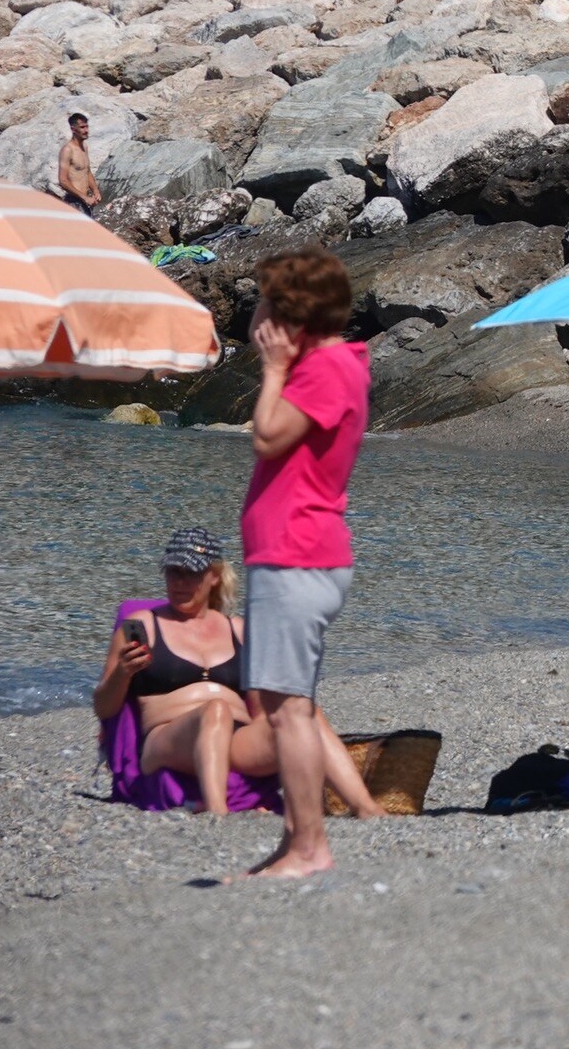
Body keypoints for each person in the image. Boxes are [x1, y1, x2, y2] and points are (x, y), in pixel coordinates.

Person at [236, 245, 372, 879]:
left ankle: (309, 847)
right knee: (285, 702)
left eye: (265, 300)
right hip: (292, 554)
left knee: (289, 709)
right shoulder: (329, 365)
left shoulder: (324, 368)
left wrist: (272, 370)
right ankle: (297, 838)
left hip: (297, 556)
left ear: (289, 314)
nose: (255, 310)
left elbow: (267, 435)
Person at [91, 528, 382, 819]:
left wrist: (278, 730)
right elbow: (104, 707)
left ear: (214, 576)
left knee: (306, 713)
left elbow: (259, 708)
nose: (180, 582)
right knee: (215, 711)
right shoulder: (143, 625)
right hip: (167, 740)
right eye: (173, 572)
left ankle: (365, 807)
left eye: (191, 574)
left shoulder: (240, 631)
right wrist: (122, 674)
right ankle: (218, 812)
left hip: (235, 739)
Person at [56, 112, 101, 215]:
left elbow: (87, 171)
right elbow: (62, 180)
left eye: (87, 127)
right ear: (73, 129)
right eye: (82, 127)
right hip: (73, 202)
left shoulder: (84, 147)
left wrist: (95, 190)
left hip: (85, 201)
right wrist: (84, 197)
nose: (86, 131)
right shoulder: (67, 150)